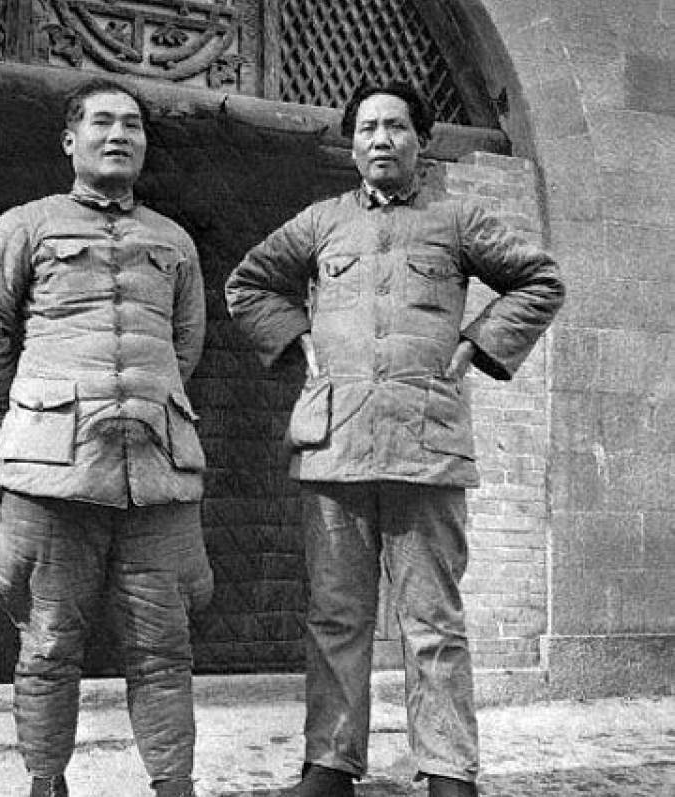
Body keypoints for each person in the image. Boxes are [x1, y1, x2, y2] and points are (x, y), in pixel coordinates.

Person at [225, 81, 565, 797]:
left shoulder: (457, 218)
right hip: (335, 446)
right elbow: (248, 283)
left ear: (422, 140)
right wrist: (300, 341)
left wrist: (477, 346)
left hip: (426, 446)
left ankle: (447, 770)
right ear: (351, 145)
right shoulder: (321, 223)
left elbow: (539, 279)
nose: (380, 140)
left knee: (432, 620)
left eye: (396, 128)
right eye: (367, 129)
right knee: (335, 616)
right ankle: (330, 767)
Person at [0, 77, 212, 797]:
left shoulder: (173, 240)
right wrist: (30, 418)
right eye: (101, 122)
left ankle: (172, 784)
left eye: (132, 124)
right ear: (70, 139)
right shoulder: (26, 225)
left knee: (164, 645)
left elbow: (185, 346)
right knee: (49, 641)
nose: (118, 134)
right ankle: (45, 780)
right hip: (53, 478)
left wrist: (142, 409)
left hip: (156, 475)